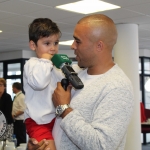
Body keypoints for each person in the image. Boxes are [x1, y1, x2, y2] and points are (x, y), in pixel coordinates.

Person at [27, 14, 134, 150]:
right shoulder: (74, 73)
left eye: (78, 41)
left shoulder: (117, 87)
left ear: (99, 46)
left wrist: (64, 108)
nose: (72, 46)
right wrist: (37, 145)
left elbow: (102, 146)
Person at [23, 18, 63, 150]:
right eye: (47, 43)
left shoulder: (54, 67)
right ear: (33, 45)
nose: (53, 48)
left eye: (56, 43)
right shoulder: (32, 64)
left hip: (54, 120)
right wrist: (46, 61)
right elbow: (39, 83)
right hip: (37, 121)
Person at [12, 82, 26, 146]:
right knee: (17, 138)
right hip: (17, 121)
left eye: (12, 88)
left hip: (20, 121)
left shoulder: (21, 97)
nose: (12, 89)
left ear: (15, 88)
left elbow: (23, 109)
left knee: (21, 138)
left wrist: (14, 115)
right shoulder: (17, 96)